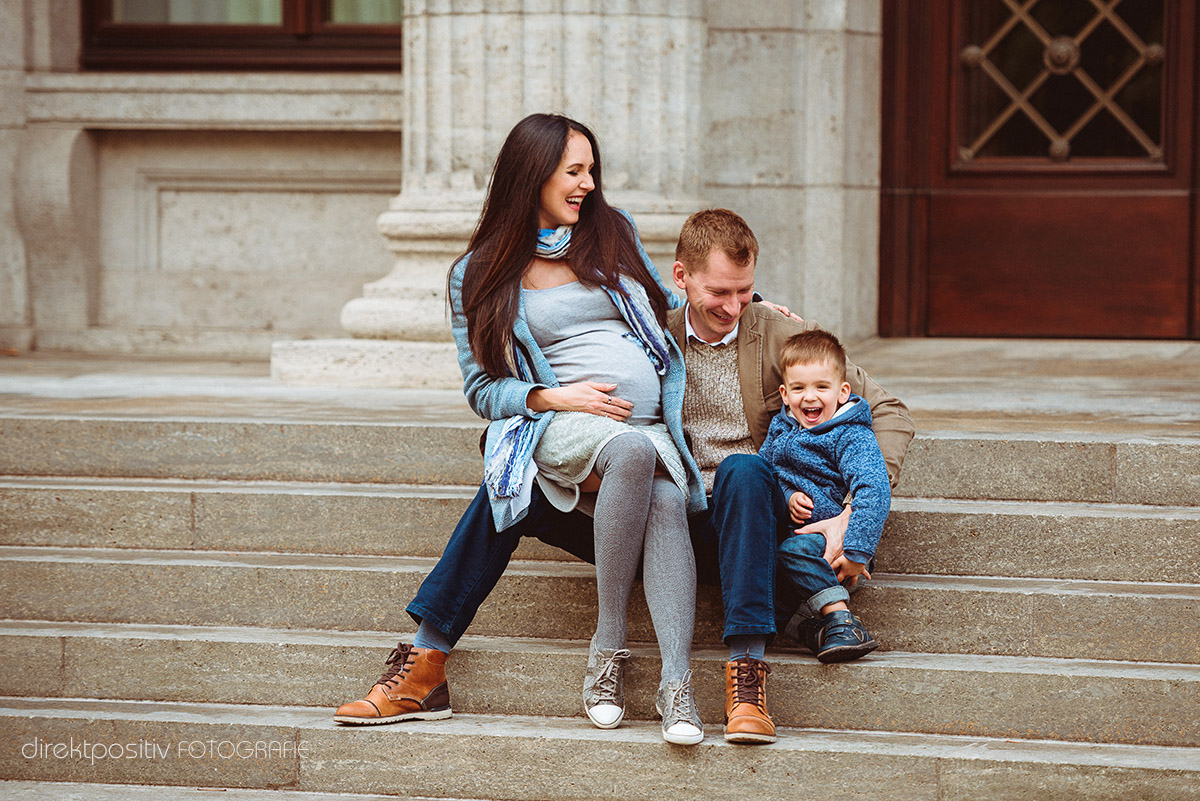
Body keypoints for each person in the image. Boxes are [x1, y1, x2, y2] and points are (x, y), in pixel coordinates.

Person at [335, 207, 914, 746]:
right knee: (506, 489)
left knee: (743, 469)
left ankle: (747, 680)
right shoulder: (648, 331)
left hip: (744, 525)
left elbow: (886, 409)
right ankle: (425, 664)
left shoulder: (780, 333)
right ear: (681, 278)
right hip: (659, 513)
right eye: (719, 292)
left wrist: (850, 516)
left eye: (744, 292)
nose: (733, 308)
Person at [335, 113, 707, 745]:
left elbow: (668, 310)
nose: (589, 183)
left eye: (592, 170)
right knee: (564, 469)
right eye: (574, 171)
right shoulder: (477, 274)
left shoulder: (612, 233)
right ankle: (595, 646)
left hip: (653, 433)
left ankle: (672, 683)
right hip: (566, 426)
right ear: (533, 176)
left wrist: (746, 310)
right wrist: (553, 396)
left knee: (657, 488)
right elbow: (483, 389)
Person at [758, 329, 891, 664]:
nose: (810, 397)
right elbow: (765, 473)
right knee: (759, 586)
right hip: (792, 538)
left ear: (842, 391)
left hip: (837, 550)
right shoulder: (780, 429)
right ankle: (809, 628)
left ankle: (841, 620)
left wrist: (857, 551)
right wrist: (787, 496)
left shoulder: (850, 435)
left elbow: (873, 488)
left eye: (821, 387)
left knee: (792, 551)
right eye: (799, 388)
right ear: (784, 394)